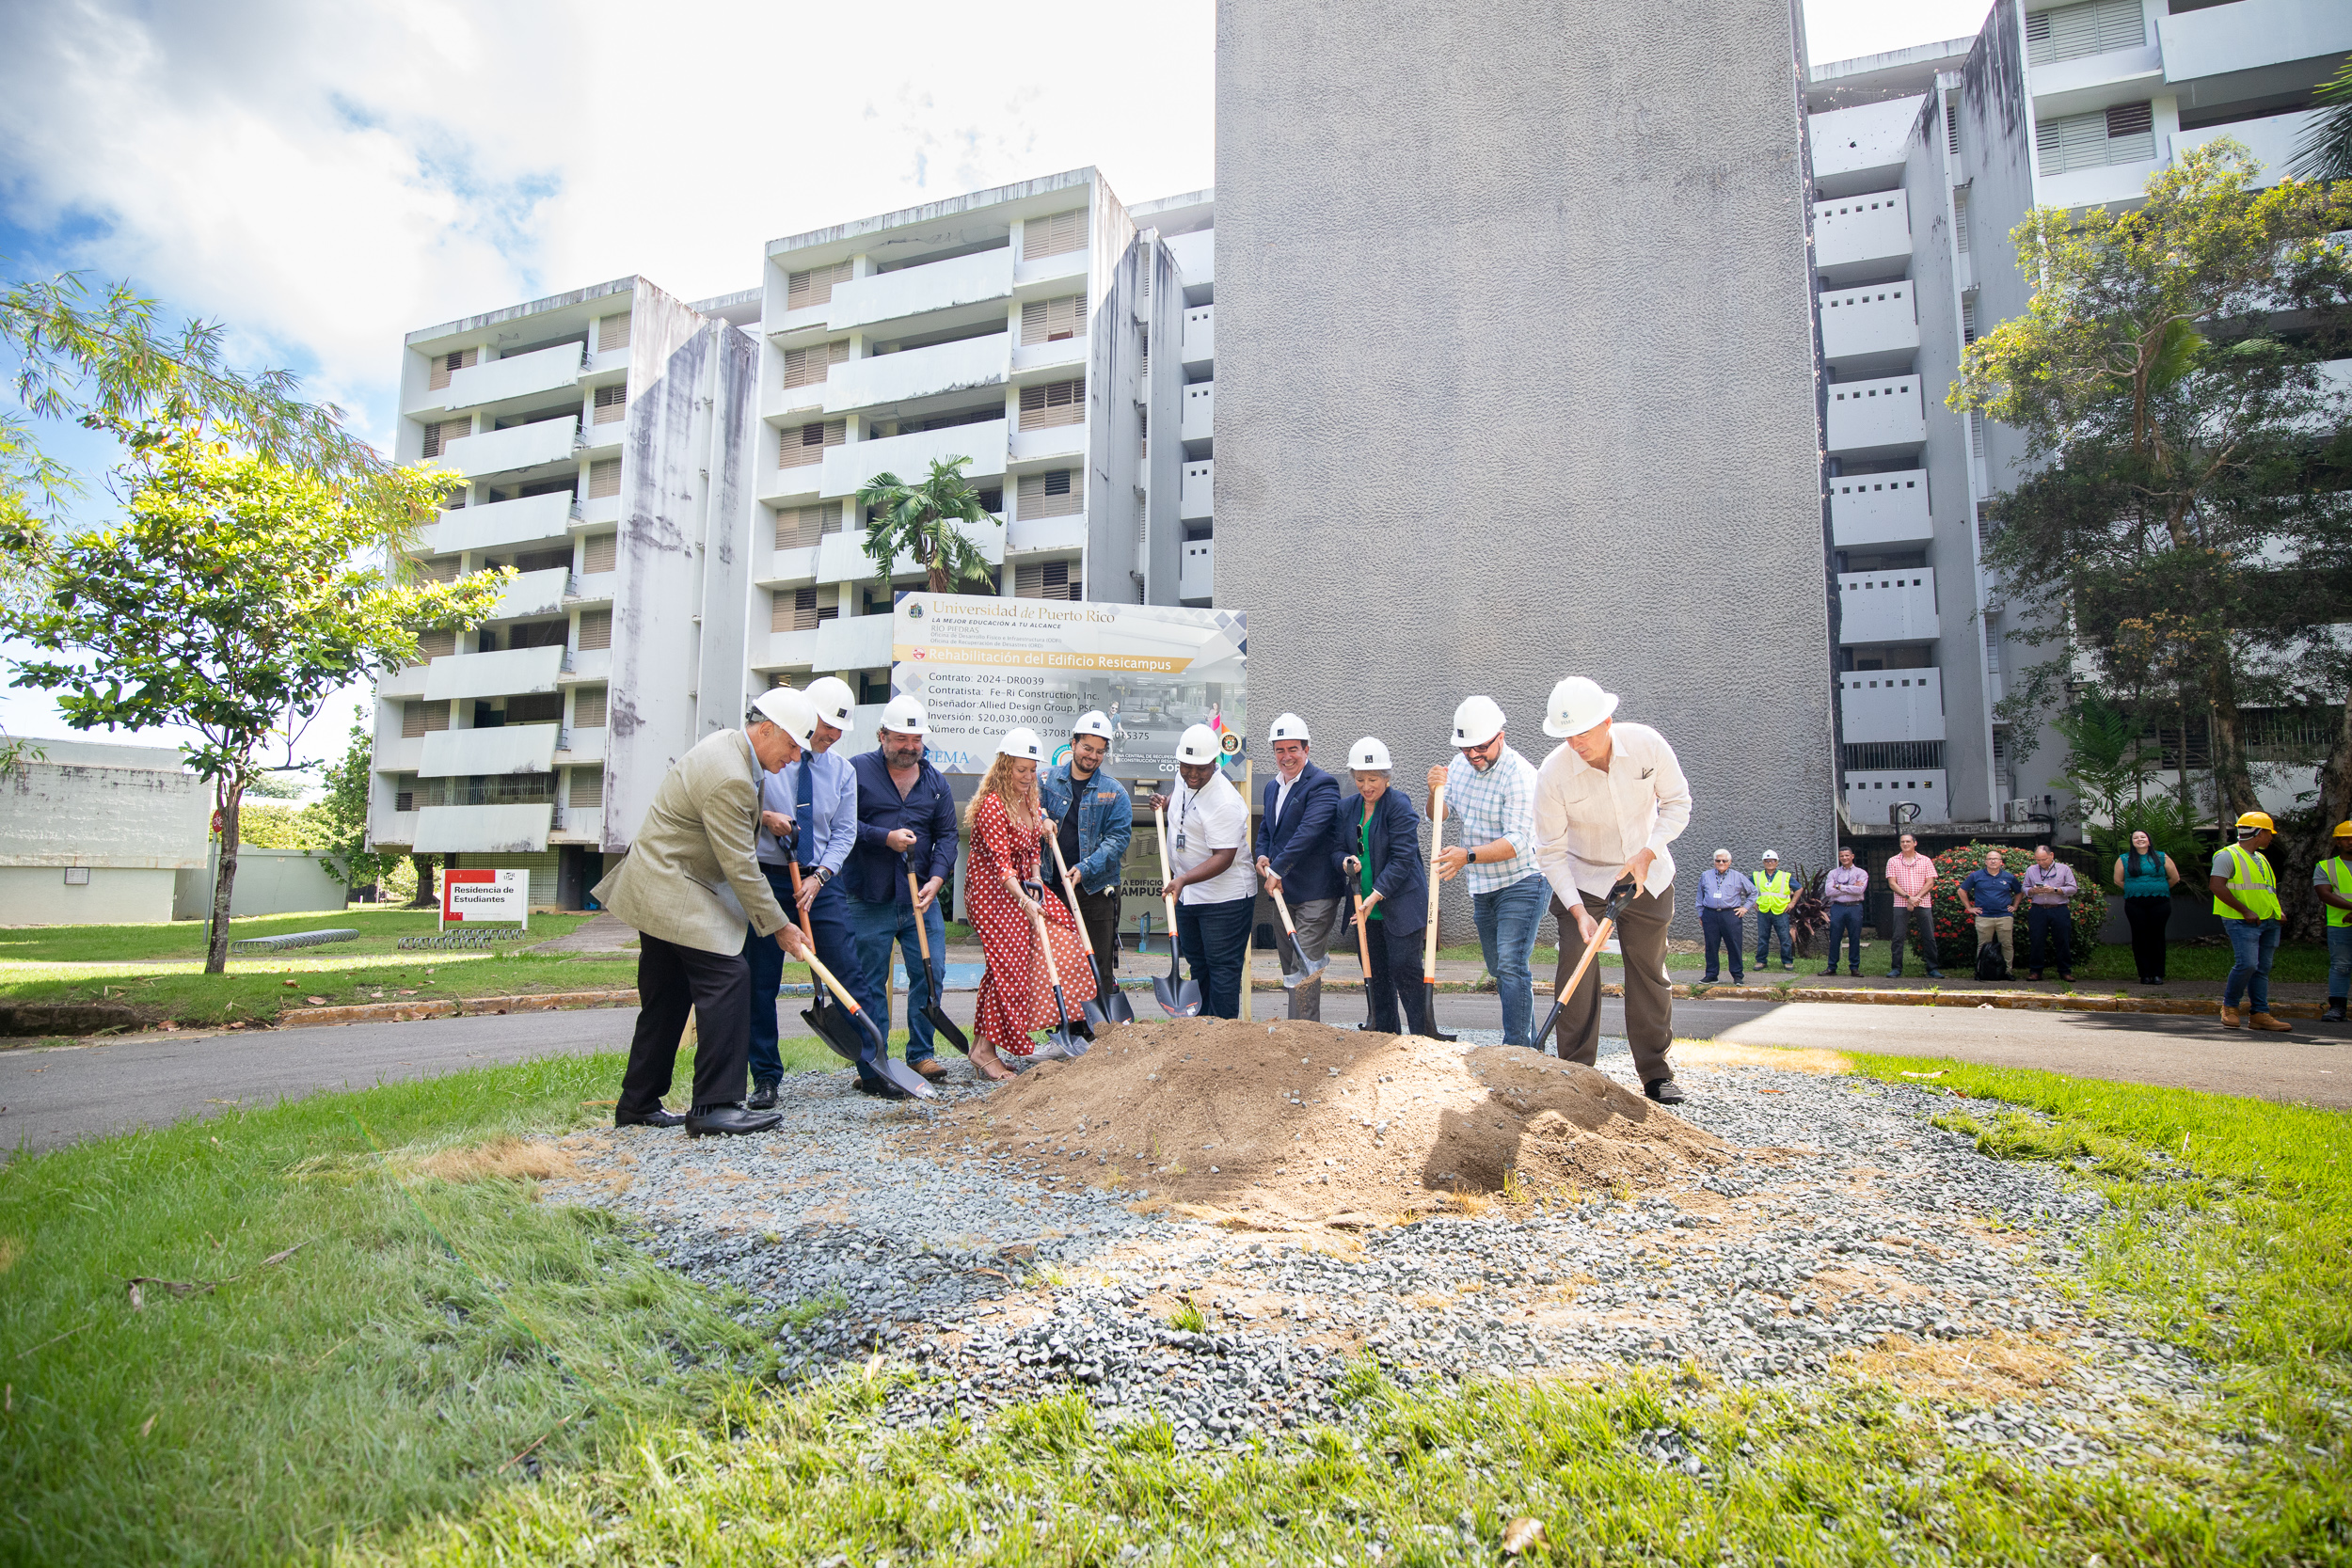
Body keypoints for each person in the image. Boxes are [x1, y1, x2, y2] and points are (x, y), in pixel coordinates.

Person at [593, 689, 813, 1137]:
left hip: (661, 881)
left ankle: (637, 1103)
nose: (794, 757)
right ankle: (714, 1106)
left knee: (668, 996)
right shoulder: (730, 773)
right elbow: (740, 866)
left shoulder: (737, 755)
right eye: (791, 745)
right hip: (672, 885)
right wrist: (781, 928)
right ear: (765, 728)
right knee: (729, 978)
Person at [1532, 675, 1692, 1104]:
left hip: (1647, 875)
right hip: (1583, 880)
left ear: (1607, 719)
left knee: (1648, 971)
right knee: (1577, 970)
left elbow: (1678, 803)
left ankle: (1656, 1073)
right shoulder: (1553, 774)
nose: (1575, 742)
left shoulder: (1646, 745)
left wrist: (1649, 851)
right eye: (1566, 734)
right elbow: (1549, 851)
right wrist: (1578, 910)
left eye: (1583, 731)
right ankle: (1576, 1071)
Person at [745, 675, 861, 1106]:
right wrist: (767, 817)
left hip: (820, 881)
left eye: (837, 730)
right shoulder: (768, 758)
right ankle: (766, 1078)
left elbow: (845, 831)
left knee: (848, 970)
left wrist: (821, 877)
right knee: (760, 980)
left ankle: (872, 1065)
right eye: (826, 725)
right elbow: (739, 805)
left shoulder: (843, 772)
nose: (830, 735)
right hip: (768, 877)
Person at [964, 727, 1096, 1079]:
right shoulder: (993, 804)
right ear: (1003, 766)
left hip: (1023, 887)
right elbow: (1000, 863)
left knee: (1064, 934)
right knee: (1007, 970)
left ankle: (981, 1048)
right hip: (994, 893)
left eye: (1031, 769)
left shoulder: (1028, 797)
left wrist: (1036, 878)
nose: (1026, 776)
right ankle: (986, 1053)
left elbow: (1033, 845)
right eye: (1019, 769)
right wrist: (1024, 898)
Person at [841, 694, 961, 1084]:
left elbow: (947, 835)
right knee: (869, 982)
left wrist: (938, 879)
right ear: (882, 736)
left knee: (931, 973)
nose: (910, 747)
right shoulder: (856, 771)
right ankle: (873, 1062)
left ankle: (921, 1055)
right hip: (868, 898)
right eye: (900, 739)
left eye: (916, 739)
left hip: (919, 900)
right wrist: (883, 837)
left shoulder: (935, 782)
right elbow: (841, 825)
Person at [1428, 694, 1546, 1046]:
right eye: (1466, 749)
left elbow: (1518, 842)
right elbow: (1439, 815)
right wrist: (1434, 791)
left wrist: (1468, 856)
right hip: (1483, 886)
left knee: (1511, 964)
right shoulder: (1460, 765)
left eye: (1481, 747)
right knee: (1501, 970)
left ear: (1501, 736)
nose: (1473, 755)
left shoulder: (1521, 776)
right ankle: (1530, 1038)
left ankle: (1517, 1048)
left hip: (1523, 880)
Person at [1151, 723, 1257, 1019]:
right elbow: (1184, 798)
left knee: (1222, 969)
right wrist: (1166, 802)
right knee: (1198, 964)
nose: (1192, 775)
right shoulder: (1185, 777)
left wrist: (1182, 878)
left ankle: (1222, 1036)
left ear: (1215, 763)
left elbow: (1224, 857)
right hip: (1189, 893)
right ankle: (1203, 1030)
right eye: (1186, 767)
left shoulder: (1224, 802)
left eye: (1200, 769)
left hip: (1225, 899)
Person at [1335, 737, 1431, 1035]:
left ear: (1387, 778)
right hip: (1363, 905)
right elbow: (1336, 848)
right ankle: (1385, 1031)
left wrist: (1375, 895)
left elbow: (1403, 859)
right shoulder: (1347, 808)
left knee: (1405, 968)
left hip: (1398, 903)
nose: (1366, 786)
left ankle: (1423, 1033)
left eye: (1373, 779)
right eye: (1360, 779)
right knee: (1375, 972)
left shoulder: (1399, 805)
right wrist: (1345, 860)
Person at [1254, 712, 1343, 1020]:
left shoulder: (1322, 785)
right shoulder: (1271, 788)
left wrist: (1277, 869)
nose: (1286, 756)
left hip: (1315, 894)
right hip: (1284, 894)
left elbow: (1308, 832)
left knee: (1304, 967)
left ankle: (1302, 1036)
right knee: (1291, 966)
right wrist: (1262, 856)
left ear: (1307, 749)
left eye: (1293, 749)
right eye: (1280, 750)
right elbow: (1267, 828)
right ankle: (1299, 1033)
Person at [1038, 710, 1134, 993]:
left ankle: (1097, 1031)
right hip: (1052, 888)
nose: (1092, 756)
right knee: (1057, 964)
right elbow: (1031, 809)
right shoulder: (1045, 781)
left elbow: (1117, 840)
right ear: (1073, 744)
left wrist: (1086, 867)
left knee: (1096, 964)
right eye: (1087, 748)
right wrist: (1042, 817)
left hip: (1094, 890)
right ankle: (1062, 1028)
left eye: (1100, 751)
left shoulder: (1114, 793)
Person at [2211, 811, 2289, 1032]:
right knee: (2248, 964)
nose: (2271, 837)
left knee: (2262, 968)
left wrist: (2278, 911)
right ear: (2258, 832)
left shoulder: (2261, 858)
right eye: (2269, 833)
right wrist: (2245, 911)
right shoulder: (2227, 856)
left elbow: (2267, 890)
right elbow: (2216, 886)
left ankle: (2260, 1014)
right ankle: (2230, 1007)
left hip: (2268, 920)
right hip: (2241, 920)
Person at [2112, 829, 2182, 986]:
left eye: (2143, 837)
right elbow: (2118, 880)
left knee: (2157, 936)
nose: (2139, 839)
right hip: (2135, 903)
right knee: (2140, 937)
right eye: (2135, 838)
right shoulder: (2124, 859)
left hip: (2160, 902)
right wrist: (2136, 889)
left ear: (2149, 840)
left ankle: (2158, 974)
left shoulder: (2161, 856)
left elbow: (2175, 877)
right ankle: (2144, 974)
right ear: (2132, 842)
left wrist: (2158, 887)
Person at [1883, 832, 1942, 978]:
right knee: (1898, 937)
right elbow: (1892, 883)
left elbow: (1930, 882)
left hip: (1923, 902)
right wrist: (1909, 898)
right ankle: (1896, 968)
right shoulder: (1893, 861)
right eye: (1902, 842)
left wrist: (1916, 898)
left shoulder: (1925, 860)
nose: (1905, 844)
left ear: (1915, 843)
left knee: (1928, 936)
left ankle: (1932, 968)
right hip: (1901, 903)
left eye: (1908, 841)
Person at [2019, 844, 2079, 982]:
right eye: (2038, 860)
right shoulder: (2031, 870)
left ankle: (2065, 971)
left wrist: (2055, 890)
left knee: (2062, 940)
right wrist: (2032, 891)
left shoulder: (2064, 869)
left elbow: (2073, 888)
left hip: (2058, 908)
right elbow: (2025, 888)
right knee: (2037, 940)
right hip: (2038, 909)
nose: (2041, 863)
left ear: (2051, 856)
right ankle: (2036, 971)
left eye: (2044, 859)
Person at [1695, 849, 1753, 984]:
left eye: (1724, 861)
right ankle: (1711, 975)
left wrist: (1745, 908)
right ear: (1714, 861)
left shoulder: (1737, 876)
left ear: (1730, 862)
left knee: (1734, 945)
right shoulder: (1705, 875)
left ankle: (1738, 975)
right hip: (1710, 914)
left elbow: (1753, 892)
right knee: (1711, 945)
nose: (1721, 863)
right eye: (1718, 860)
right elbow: (1700, 896)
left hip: (1730, 914)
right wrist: (1701, 913)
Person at [1962, 849, 2023, 974]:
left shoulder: (2009, 877)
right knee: (1983, 945)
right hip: (1984, 916)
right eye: (1990, 859)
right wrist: (1969, 908)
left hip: (2004, 916)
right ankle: (1981, 971)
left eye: (1996, 859)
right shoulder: (1976, 876)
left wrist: (2015, 906)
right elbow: (1962, 891)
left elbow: (2020, 891)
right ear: (1985, 862)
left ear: (2001, 862)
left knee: (2007, 944)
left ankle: (2007, 972)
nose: (1993, 861)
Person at [2317, 819, 2352, 1023]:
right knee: (2341, 966)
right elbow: (2324, 894)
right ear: (2337, 842)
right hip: (2340, 925)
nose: (2350, 842)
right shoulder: (2325, 867)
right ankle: (2337, 1009)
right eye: (2345, 839)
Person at [1820, 847, 1867, 976]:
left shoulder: (1861, 873)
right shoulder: (1833, 873)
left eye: (1847, 855)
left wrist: (1839, 886)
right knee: (1834, 937)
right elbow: (1829, 891)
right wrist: (1851, 887)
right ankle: (1831, 967)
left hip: (1855, 907)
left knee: (1854, 937)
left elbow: (1860, 890)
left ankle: (1854, 967)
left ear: (1852, 856)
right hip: (1838, 907)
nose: (1844, 858)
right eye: (1842, 856)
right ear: (1839, 857)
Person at [1752, 850, 1797, 971]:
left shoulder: (1785, 876)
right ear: (1763, 862)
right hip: (1764, 910)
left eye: (1772, 861)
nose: (1769, 863)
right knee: (1763, 937)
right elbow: (1747, 888)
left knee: (1784, 938)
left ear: (1777, 862)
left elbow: (1799, 889)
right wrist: (1752, 901)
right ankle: (1761, 961)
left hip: (1780, 911)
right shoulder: (1757, 875)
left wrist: (1792, 903)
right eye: (1767, 861)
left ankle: (1787, 961)